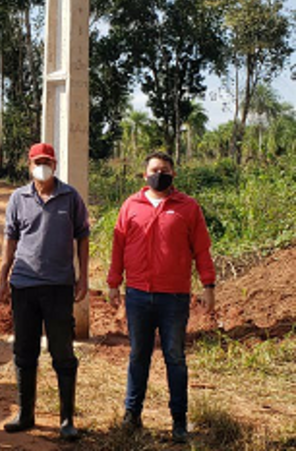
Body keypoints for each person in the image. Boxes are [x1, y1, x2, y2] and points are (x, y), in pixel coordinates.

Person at [107, 151, 216, 444]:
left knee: (175, 358)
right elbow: (118, 246)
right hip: (138, 296)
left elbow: (202, 249)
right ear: (145, 175)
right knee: (138, 356)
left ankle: (179, 422)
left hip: (174, 299)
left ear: (173, 175)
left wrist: (208, 286)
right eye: (154, 169)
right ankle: (132, 416)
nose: (159, 174)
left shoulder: (188, 207)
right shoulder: (131, 206)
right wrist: (113, 283)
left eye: (165, 170)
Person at [0, 142, 90, 441]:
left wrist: (83, 277)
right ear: (29, 165)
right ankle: (25, 414)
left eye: (47, 161)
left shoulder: (70, 197)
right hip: (23, 285)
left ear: (56, 164)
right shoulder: (18, 198)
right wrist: (2, 277)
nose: (42, 166)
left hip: (59, 286)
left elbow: (83, 237)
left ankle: (66, 420)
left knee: (62, 352)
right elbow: (10, 239)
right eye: (38, 161)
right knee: (24, 351)